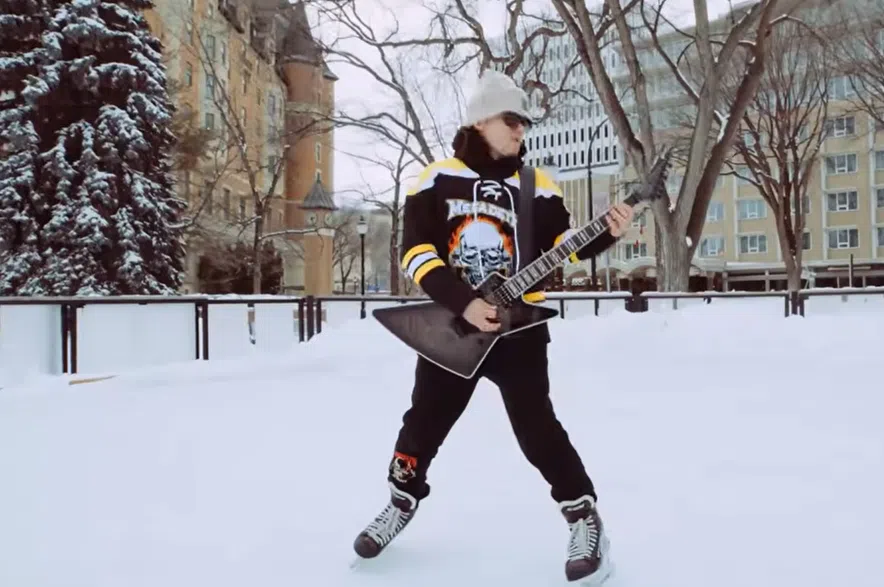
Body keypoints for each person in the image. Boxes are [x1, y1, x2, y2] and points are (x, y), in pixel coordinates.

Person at [353, 70, 635, 584]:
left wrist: (606, 233)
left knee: (537, 428)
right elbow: (415, 252)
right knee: (423, 423)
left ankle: (583, 517)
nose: (521, 130)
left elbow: (564, 246)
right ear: (481, 120)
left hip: (520, 329)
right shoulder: (436, 178)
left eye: (525, 123)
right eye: (512, 120)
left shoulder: (537, 185)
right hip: (452, 327)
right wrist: (463, 302)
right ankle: (400, 501)